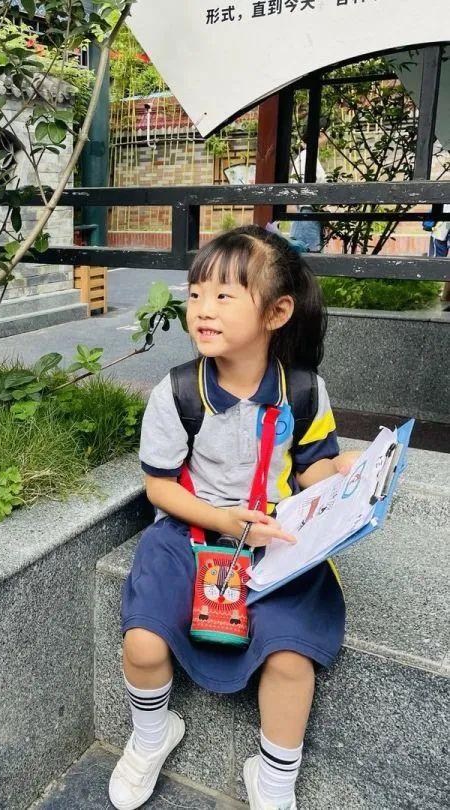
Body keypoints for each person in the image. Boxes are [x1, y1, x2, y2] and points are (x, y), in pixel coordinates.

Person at [108, 226, 360, 810]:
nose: (203, 309)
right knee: (143, 639)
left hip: (274, 538)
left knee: (291, 657)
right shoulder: (177, 392)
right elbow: (158, 487)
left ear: (276, 313)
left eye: (224, 295)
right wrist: (223, 521)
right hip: (189, 532)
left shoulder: (303, 391)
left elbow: (312, 472)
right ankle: (151, 735)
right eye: (196, 293)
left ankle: (273, 778)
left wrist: (346, 472)